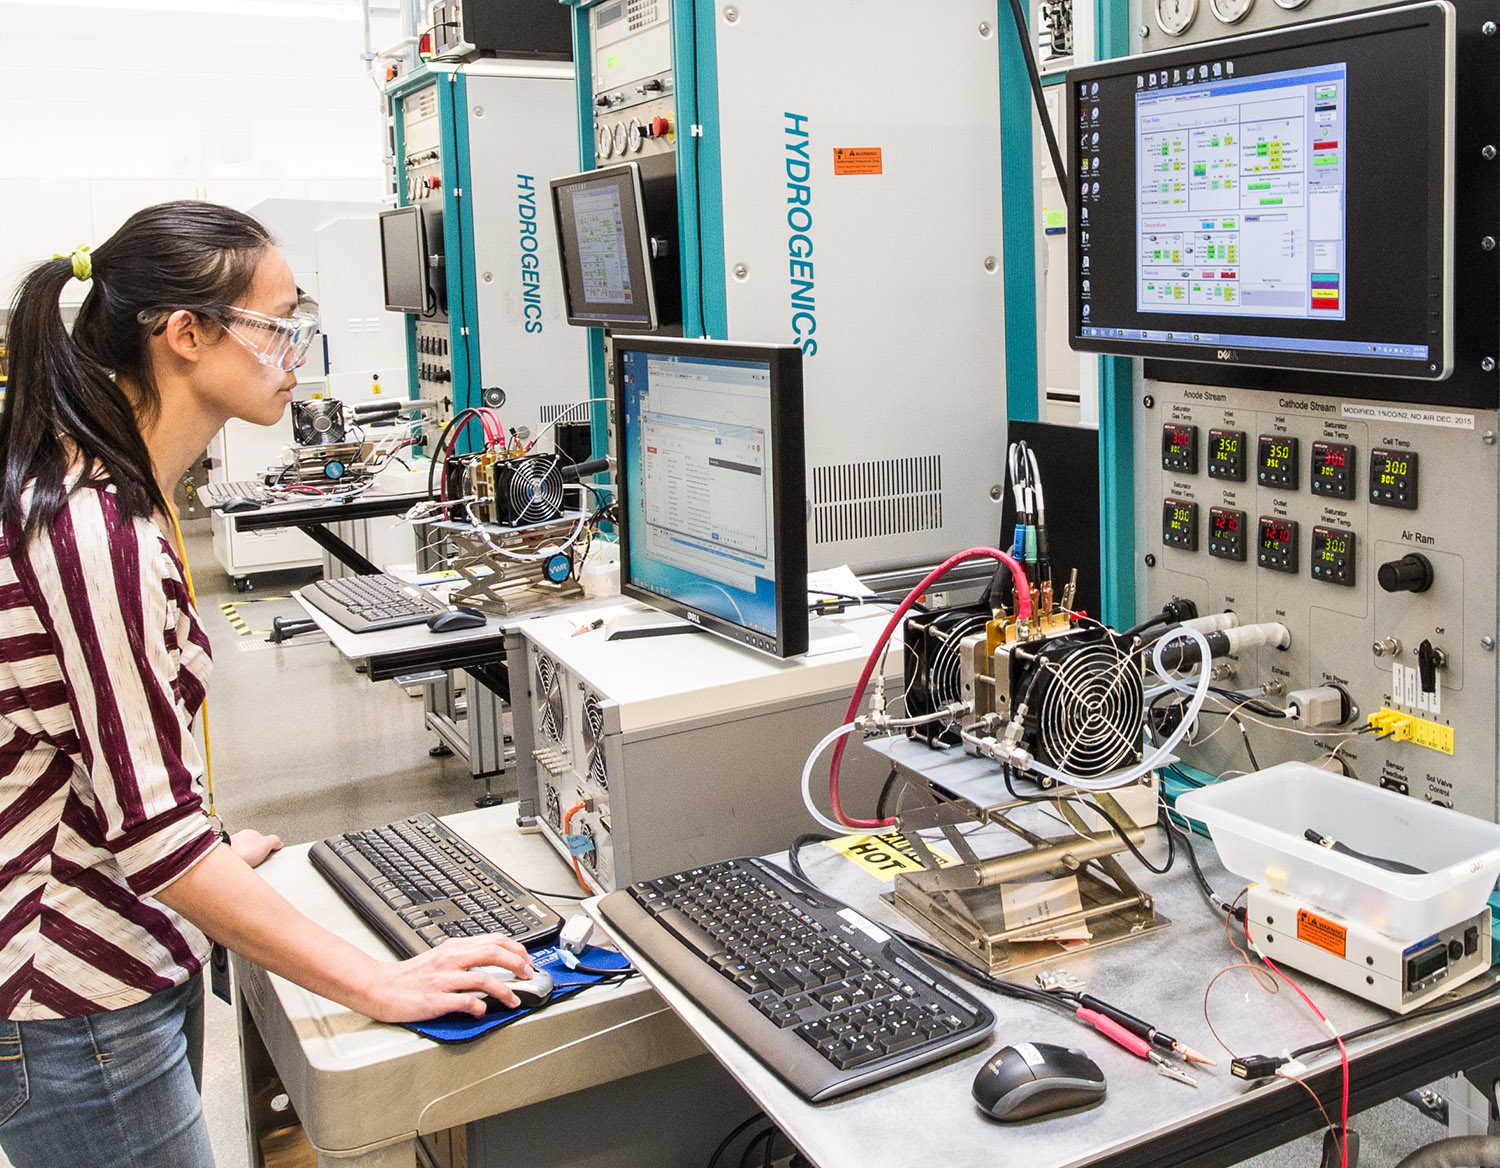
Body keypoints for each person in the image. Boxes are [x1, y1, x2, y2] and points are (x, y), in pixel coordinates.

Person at [0, 201, 533, 1168]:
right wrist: (380, 981)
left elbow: (106, 766)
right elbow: (150, 832)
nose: (297, 351)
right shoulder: (93, 532)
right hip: (76, 993)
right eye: (279, 325)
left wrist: (204, 860)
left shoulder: (117, 491)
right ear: (186, 335)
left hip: (120, 942)